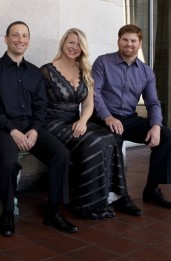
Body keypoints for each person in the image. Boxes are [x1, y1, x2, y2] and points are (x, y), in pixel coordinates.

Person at [0, 21, 78, 236]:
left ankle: (54, 212)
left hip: (31, 127)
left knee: (61, 154)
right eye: (16, 35)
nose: (20, 40)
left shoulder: (35, 72)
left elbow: (41, 107)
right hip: (1, 128)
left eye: (24, 36)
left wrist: (34, 130)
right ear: (6, 39)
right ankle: (7, 212)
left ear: (29, 41)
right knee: (8, 160)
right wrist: (12, 131)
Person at [40, 28, 141, 220]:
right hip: (51, 123)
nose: (74, 47)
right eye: (71, 42)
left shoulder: (84, 71)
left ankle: (113, 197)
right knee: (93, 141)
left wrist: (83, 120)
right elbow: (38, 105)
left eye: (78, 44)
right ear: (63, 43)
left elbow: (88, 103)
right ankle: (84, 205)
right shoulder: (46, 70)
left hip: (74, 120)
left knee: (110, 137)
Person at [92, 24, 171, 214]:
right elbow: (94, 93)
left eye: (133, 41)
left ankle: (152, 189)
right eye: (125, 40)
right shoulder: (103, 62)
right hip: (103, 118)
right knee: (114, 139)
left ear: (139, 44)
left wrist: (155, 125)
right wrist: (108, 117)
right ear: (118, 41)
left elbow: (153, 102)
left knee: (167, 135)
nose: (128, 44)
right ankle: (120, 196)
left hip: (128, 119)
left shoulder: (146, 72)